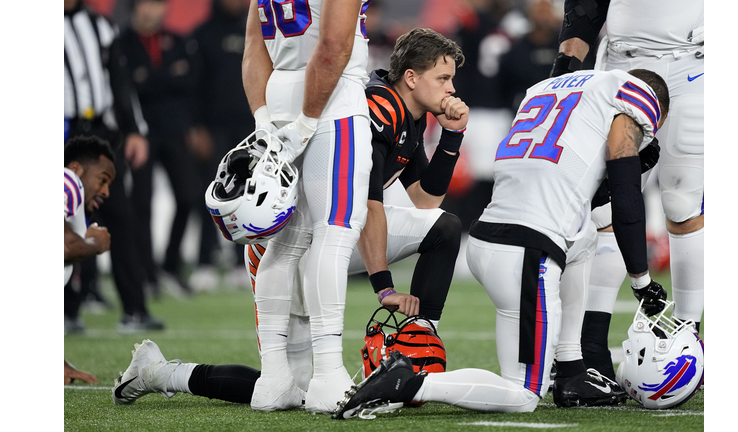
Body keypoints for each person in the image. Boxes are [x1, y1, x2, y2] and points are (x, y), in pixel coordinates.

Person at [112, 27, 470, 410]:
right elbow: (367, 203)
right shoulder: (379, 109)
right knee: (286, 389)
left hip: (327, 235)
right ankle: (158, 373)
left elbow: (425, 199)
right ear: (411, 77)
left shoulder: (407, 114)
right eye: (443, 78)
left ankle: (418, 338)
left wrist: (452, 136)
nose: (450, 88)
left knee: (443, 228)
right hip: (287, 241)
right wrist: (383, 287)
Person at [330, 67, 671, 418]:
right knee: (523, 394)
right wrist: (641, 281)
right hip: (527, 252)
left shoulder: (547, 88)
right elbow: (628, 201)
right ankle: (411, 382)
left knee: (582, 236)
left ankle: (570, 367)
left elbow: (571, 187)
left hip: (490, 232)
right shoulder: (634, 94)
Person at [550, 0, 704, 379]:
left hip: (695, 64)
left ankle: (687, 336)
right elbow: (586, 7)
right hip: (623, 64)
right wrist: (566, 66)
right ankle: (589, 347)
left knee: (682, 199)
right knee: (603, 208)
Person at [241, 0, 373, 414]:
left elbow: (253, 48)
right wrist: (308, 120)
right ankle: (328, 375)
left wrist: (266, 121)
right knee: (334, 234)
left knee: (285, 242)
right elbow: (333, 46)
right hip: (331, 100)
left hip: (278, 99)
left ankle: (274, 376)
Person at [64, 0, 164, 332]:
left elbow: (120, 80)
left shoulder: (100, 25)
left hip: (99, 134)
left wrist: (135, 129)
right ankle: (67, 310)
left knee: (121, 217)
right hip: (60, 131)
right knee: (65, 221)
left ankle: (134, 308)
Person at [116, 0, 200, 297]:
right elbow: (125, 89)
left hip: (175, 131)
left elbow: (190, 83)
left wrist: (149, 80)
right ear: (135, 8)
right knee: (141, 203)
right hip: (140, 133)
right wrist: (167, 79)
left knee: (188, 197)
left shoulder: (177, 41)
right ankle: (147, 273)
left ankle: (170, 266)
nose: (152, 10)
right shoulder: (121, 43)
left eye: (158, 3)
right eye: (146, 4)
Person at [186, 0, 254, 292]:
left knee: (250, 196)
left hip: (251, 127)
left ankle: (244, 262)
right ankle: (205, 261)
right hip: (214, 128)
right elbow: (193, 87)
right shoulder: (202, 35)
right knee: (212, 193)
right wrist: (197, 127)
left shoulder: (257, 30)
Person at [64, 135, 116, 385]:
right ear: (76, 168)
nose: (106, 191)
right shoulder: (67, 182)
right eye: (102, 180)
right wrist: (95, 244)